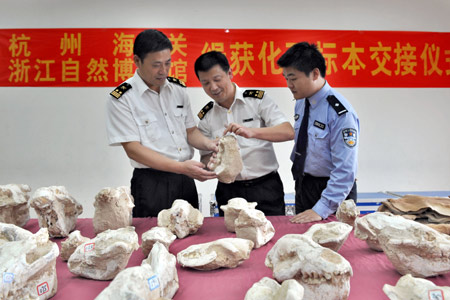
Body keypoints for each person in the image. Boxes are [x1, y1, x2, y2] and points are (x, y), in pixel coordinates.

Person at [105, 29, 218, 217]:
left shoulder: (177, 90)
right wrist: (181, 167)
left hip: (185, 180)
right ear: (137, 61)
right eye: (156, 65)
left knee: (190, 238)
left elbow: (190, 131)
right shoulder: (122, 98)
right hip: (151, 184)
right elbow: (133, 149)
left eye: (168, 63)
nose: (163, 71)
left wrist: (209, 144)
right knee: (152, 240)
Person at [194, 51, 294, 216]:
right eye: (205, 83)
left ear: (230, 73)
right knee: (232, 240)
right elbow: (205, 158)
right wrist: (211, 163)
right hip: (229, 190)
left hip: (265, 187)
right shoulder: (206, 117)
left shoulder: (257, 100)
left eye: (217, 79)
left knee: (271, 237)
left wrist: (252, 132)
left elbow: (288, 132)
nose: (213, 87)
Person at [277, 42, 359, 224]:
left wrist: (322, 207)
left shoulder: (340, 113)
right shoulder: (301, 101)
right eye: (285, 78)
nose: (289, 85)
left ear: (314, 74)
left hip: (334, 193)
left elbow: (345, 170)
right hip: (304, 185)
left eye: (293, 78)